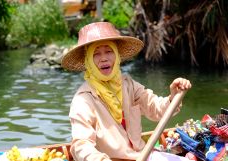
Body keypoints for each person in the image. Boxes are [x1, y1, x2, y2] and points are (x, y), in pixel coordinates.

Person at [61, 22, 192, 161]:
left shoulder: (128, 84)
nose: (104, 58)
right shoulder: (83, 100)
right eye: (96, 54)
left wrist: (172, 97)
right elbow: (81, 145)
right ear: (88, 61)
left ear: (117, 55)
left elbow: (155, 108)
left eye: (109, 51)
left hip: (144, 155)